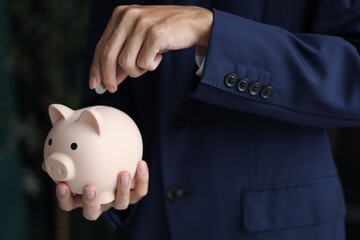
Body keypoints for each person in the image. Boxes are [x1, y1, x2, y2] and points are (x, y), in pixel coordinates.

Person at [53, 1, 360, 239]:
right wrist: (104, 172)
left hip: (280, 224)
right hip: (149, 223)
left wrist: (213, 33)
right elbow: (106, 84)